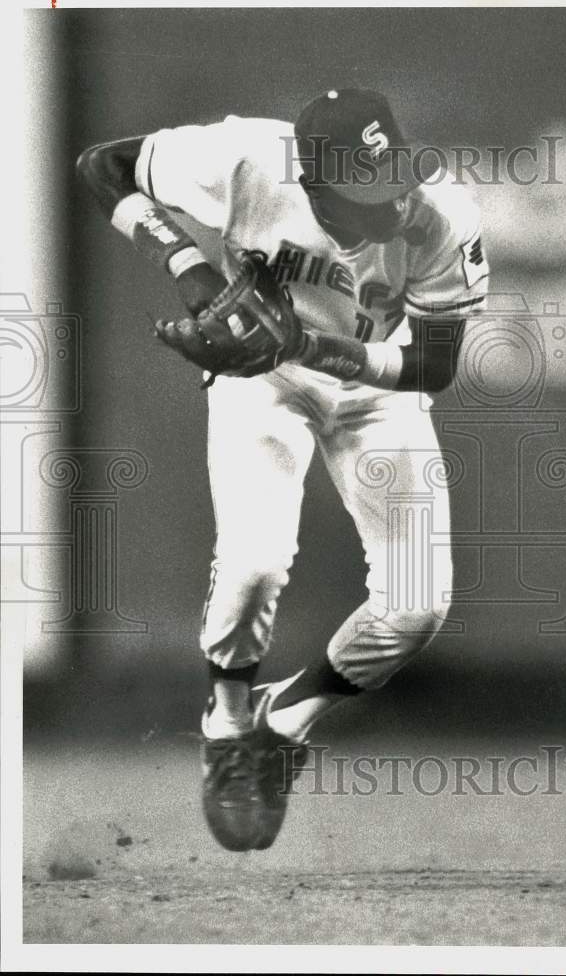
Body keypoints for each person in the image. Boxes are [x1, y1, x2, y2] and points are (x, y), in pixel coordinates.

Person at [76, 88, 489, 851]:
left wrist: (308, 347)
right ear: (309, 181)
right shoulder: (242, 159)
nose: (388, 205)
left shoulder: (437, 213)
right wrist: (190, 268)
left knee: (415, 609)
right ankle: (228, 725)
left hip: (375, 387)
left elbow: (433, 366)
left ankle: (284, 722)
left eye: (391, 177)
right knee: (255, 565)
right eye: (362, 194)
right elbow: (105, 167)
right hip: (260, 379)